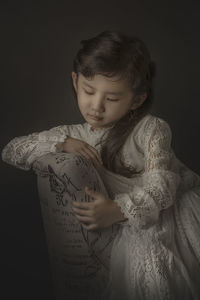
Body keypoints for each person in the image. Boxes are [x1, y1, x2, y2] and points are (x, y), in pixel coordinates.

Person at [2, 30, 200, 300]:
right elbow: (11, 150)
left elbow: (162, 186)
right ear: (75, 81)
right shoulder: (76, 135)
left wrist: (118, 210)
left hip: (170, 212)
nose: (96, 106)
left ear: (137, 99)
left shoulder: (151, 128)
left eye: (112, 98)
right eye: (89, 90)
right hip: (126, 223)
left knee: (156, 272)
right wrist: (60, 143)